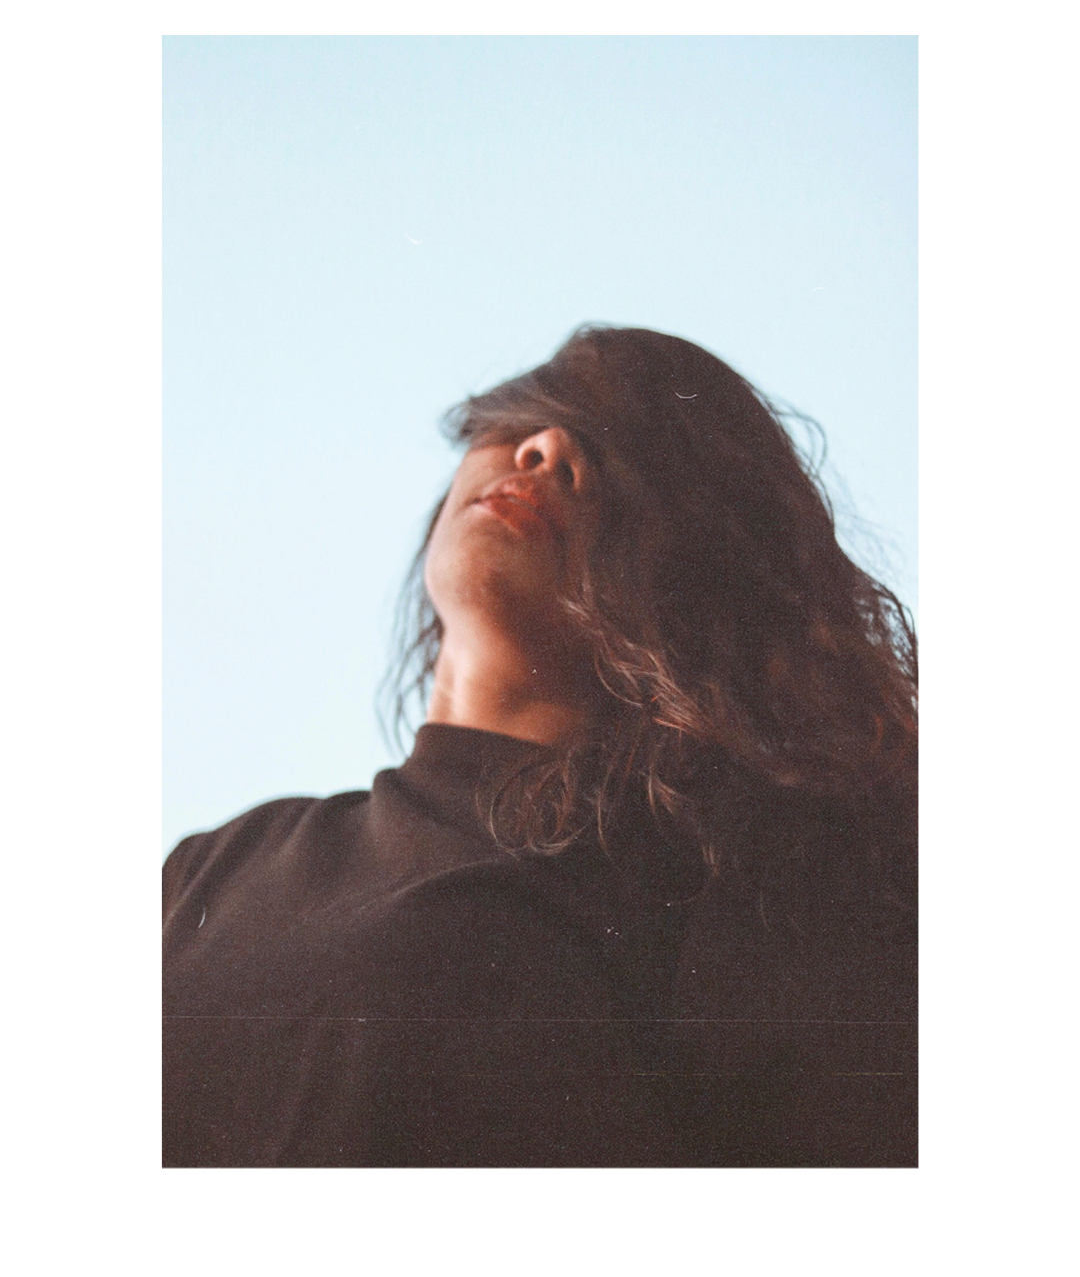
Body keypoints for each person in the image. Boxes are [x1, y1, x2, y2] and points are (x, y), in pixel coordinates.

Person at [161, 326, 918, 1168]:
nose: (547, 448)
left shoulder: (741, 903)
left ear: (709, 573)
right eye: (526, 417)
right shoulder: (213, 870)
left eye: (618, 456)